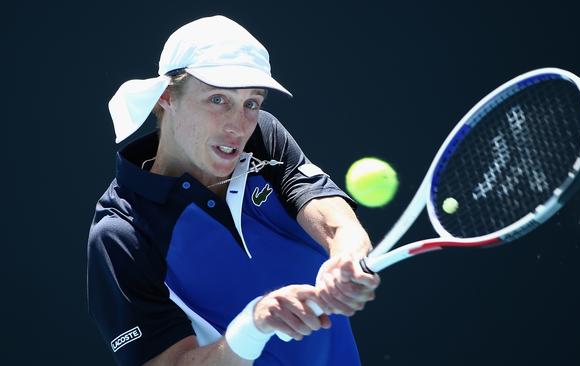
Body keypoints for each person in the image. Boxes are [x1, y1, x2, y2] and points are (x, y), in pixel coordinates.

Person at [87, 15, 380, 366]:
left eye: (251, 103)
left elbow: (336, 224)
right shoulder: (122, 233)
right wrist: (254, 326)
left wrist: (346, 258)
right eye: (217, 100)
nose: (238, 125)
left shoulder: (264, 139)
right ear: (166, 97)